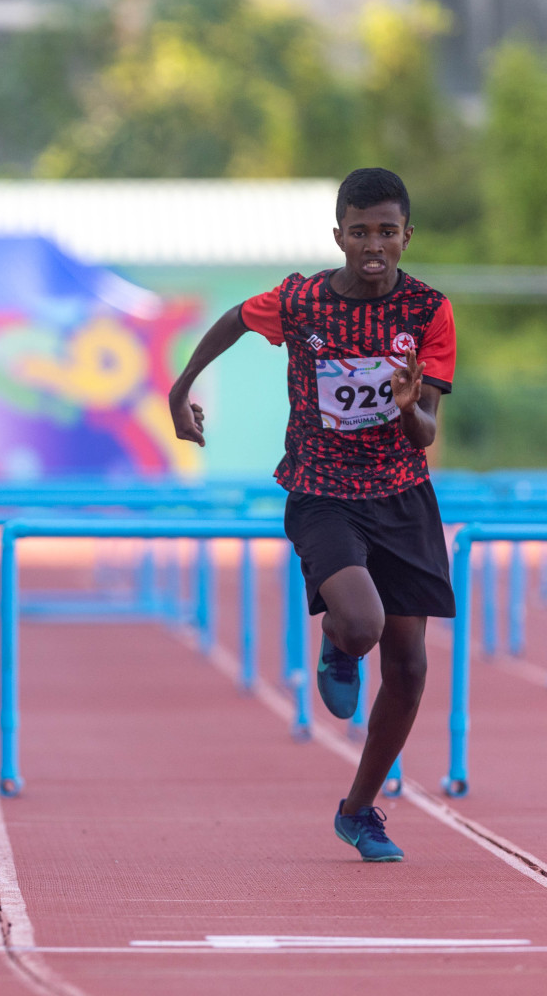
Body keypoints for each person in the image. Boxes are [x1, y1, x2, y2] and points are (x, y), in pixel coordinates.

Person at [169, 168, 456, 863]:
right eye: (360, 231)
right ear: (339, 235)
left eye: (387, 231)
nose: (374, 244)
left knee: (411, 668)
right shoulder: (301, 300)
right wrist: (180, 391)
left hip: (401, 492)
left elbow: (426, 433)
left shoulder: (428, 312)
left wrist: (411, 401)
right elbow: (235, 319)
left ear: (405, 235)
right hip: (321, 487)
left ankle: (359, 811)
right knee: (363, 622)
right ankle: (341, 639)